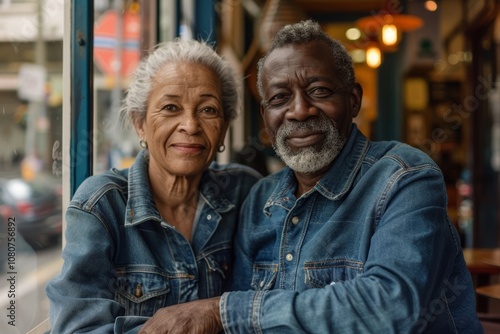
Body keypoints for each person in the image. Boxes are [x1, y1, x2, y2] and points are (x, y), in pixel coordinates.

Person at [138, 20, 483, 334]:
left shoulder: (405, 178)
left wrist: (222, 310)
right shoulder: (260, 200)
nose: (300, 110)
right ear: (266, 115)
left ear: (353, 100)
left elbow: (390, 306)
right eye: (280, 98)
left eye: (319, 91)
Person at [45, 39, 261, 333]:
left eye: (208, 110)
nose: (190, 125)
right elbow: (79, 328)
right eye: (171, 107)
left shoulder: (246, 192)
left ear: (223, 129)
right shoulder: (102, 205)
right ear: (140, 124)